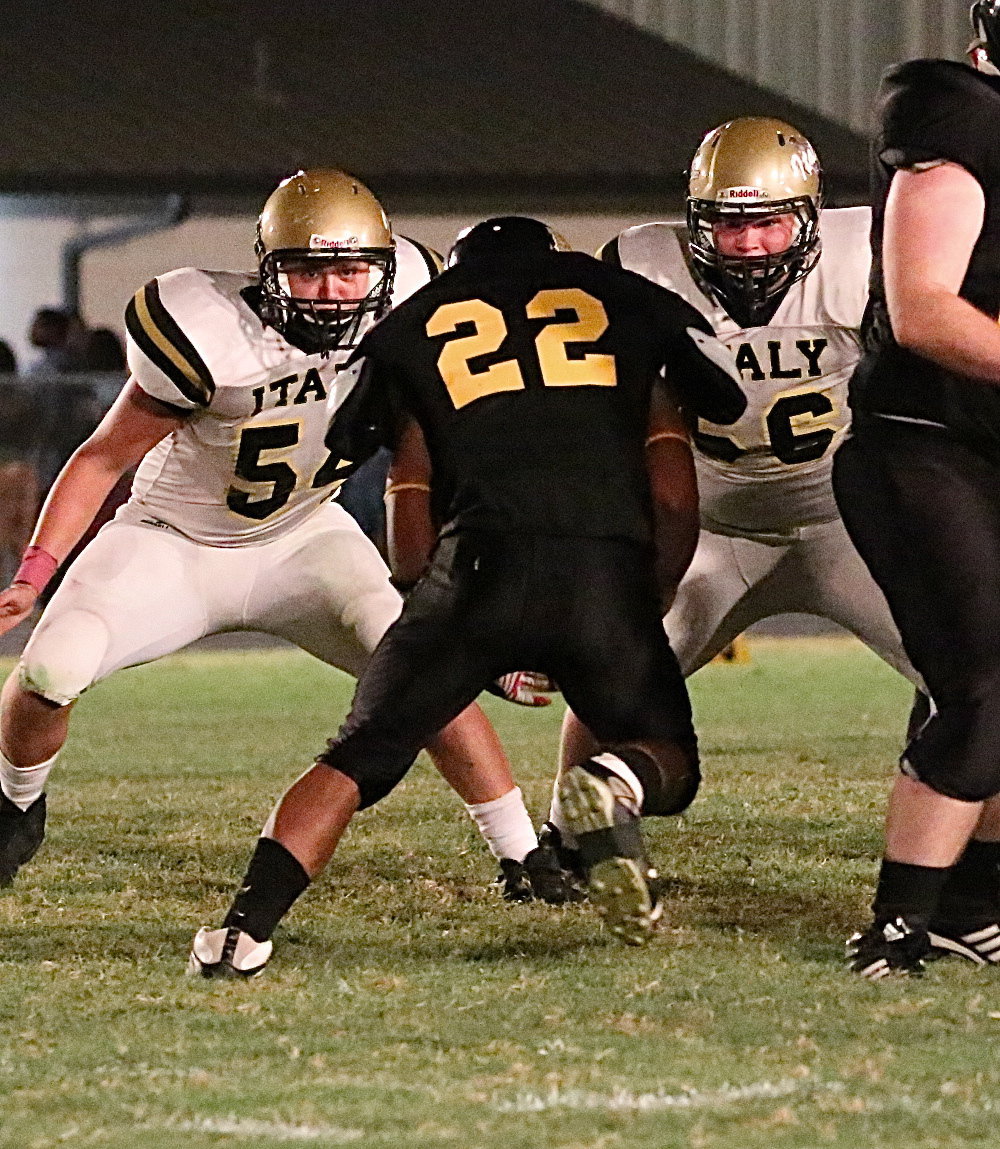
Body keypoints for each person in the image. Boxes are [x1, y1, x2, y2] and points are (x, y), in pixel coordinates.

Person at [188, 215, 747, 977]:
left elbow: (406, 502)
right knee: (669, 762)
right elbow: (677, 490)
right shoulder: (630, 301)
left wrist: (434, 610)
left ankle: (241, 932)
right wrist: (644, 597)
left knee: (355, 758)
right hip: (603, 566)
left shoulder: (413, 325)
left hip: (476, 567)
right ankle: (611, 781)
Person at [0, 170, 564, 905]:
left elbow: (439, 458)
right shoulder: (207, 330)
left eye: (350, 271)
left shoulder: (412, 305)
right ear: (269, 270)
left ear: (385, 270)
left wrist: (470, 618)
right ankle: (15, 804)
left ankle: (522, 854)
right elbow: (103, 457)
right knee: (49, 674)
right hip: (172, 542)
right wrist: (33, 575)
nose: (331, 292)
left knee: (428, 673)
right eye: (307, 271)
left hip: (306, 536)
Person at [547, 117, 928, 856]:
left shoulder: (866, 256)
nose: (749, 244)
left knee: (971, 674)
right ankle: (565, 840)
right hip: (711, 529)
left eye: (768, 223)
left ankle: (966, 847)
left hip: (846, 523)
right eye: (728, 224)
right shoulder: (642, 267)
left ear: (809, 218)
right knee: (610, 672)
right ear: (697, 222)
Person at [833, 2, 1000, 978]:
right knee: (985, 687)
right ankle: (897, 928)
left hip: (978, 447)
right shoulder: (959, 110)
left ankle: (970, 906)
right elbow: (924, 308)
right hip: (923, 444)